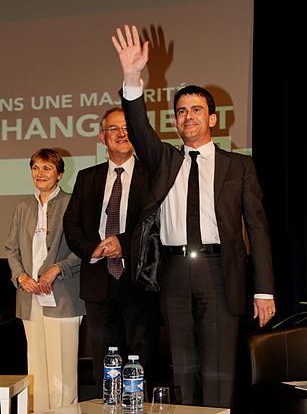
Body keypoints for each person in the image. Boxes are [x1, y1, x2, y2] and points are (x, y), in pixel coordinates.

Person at [111, 24, 276, 408]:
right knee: (182, 368)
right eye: (181, 111)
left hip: (220, 270)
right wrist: (132, 77)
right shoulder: (164, 159)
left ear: (213, 119)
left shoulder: (239, 166)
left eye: (196, 110)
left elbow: (258, 229)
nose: (187, 117)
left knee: (220, 368)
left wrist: (264, 289)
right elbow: (138, 128)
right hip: (173, 271)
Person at [63, 107, 158, 398]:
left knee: (142, 360)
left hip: (138, 281)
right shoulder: (87, 177)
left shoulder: (153, 174)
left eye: (127, 128)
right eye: (114, 129)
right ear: (102, 136)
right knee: (104, 364)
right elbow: (72, 224)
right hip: (98, 281)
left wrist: (125, 244)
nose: (121, 133)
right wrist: (94, 249)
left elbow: (159, 224)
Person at [5, 148, 86, 412]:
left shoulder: (73, 203)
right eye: (36, 168)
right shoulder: (22, 207)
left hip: (62, 294)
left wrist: (57, 269)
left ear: (60, 174)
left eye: (47, 168)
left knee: (61, 367)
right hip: (29, 295)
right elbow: (11, 248)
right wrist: (20, 277)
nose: (40, 174)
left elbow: (82, 248)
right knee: (36, 365)